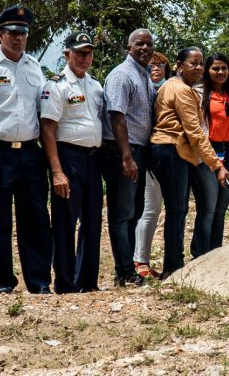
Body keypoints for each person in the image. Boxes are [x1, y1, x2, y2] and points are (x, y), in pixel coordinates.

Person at [0, 6, 52, 294]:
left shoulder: (34, 67)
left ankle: (38, 282)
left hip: (29, 152)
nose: (19, 39)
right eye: (13, 33)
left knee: (35, 217)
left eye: (23, 33)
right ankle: (4, 282)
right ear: (1, 34)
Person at [150, 47, 229, 277]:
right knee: (176, 210)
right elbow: (194, 133)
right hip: (170, 149)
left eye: (200, 63)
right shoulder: (180, 89)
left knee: (179, 209)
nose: (198, 67)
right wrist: (217, 165)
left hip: (173, 151)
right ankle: (173, 267)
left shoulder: (179, 87)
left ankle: (174, 264)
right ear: (179, 65)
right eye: (193, 63)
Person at [40, 32, 103, 293]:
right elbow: (47, 130)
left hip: (93, 159)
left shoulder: (96, 85)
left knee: (92, 220)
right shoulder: (56, 85)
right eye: (79, 53)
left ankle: (87, 281)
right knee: (66, 221)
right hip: (68, 157)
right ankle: (65, 282)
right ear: (67, 54)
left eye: (88, 53)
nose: (84, 58)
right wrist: (57, 171)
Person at [101, 28, 156, 286]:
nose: (145, 48)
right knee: (122, 213)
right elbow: (117, 116)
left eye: (149, 44)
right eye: (139, 44)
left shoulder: (143, 75)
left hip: (138, 151)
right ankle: (124, 272)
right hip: (123, 151)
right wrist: (126, 157)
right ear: (128, 48)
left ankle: (129, 269)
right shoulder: (122, 75)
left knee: (134, 212)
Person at [188, 53, 229, 258]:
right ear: (207, 71)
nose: (220, 72)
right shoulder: (198, 93)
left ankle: (215, 254)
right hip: (206, 152)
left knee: (221, 207)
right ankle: (200, 254)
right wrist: (215, 162)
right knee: (208, 206)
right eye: (215, 68)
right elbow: (197, 129)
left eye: (224, 68)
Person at [133, 51, 171, 278]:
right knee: (150, 208)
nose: (156, 69)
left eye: (160, 65)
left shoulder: (171, 89)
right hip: (146, 154)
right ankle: (140, 260)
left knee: (166, 209)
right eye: (151, 66)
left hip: (169, 154)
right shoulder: (143, 89)